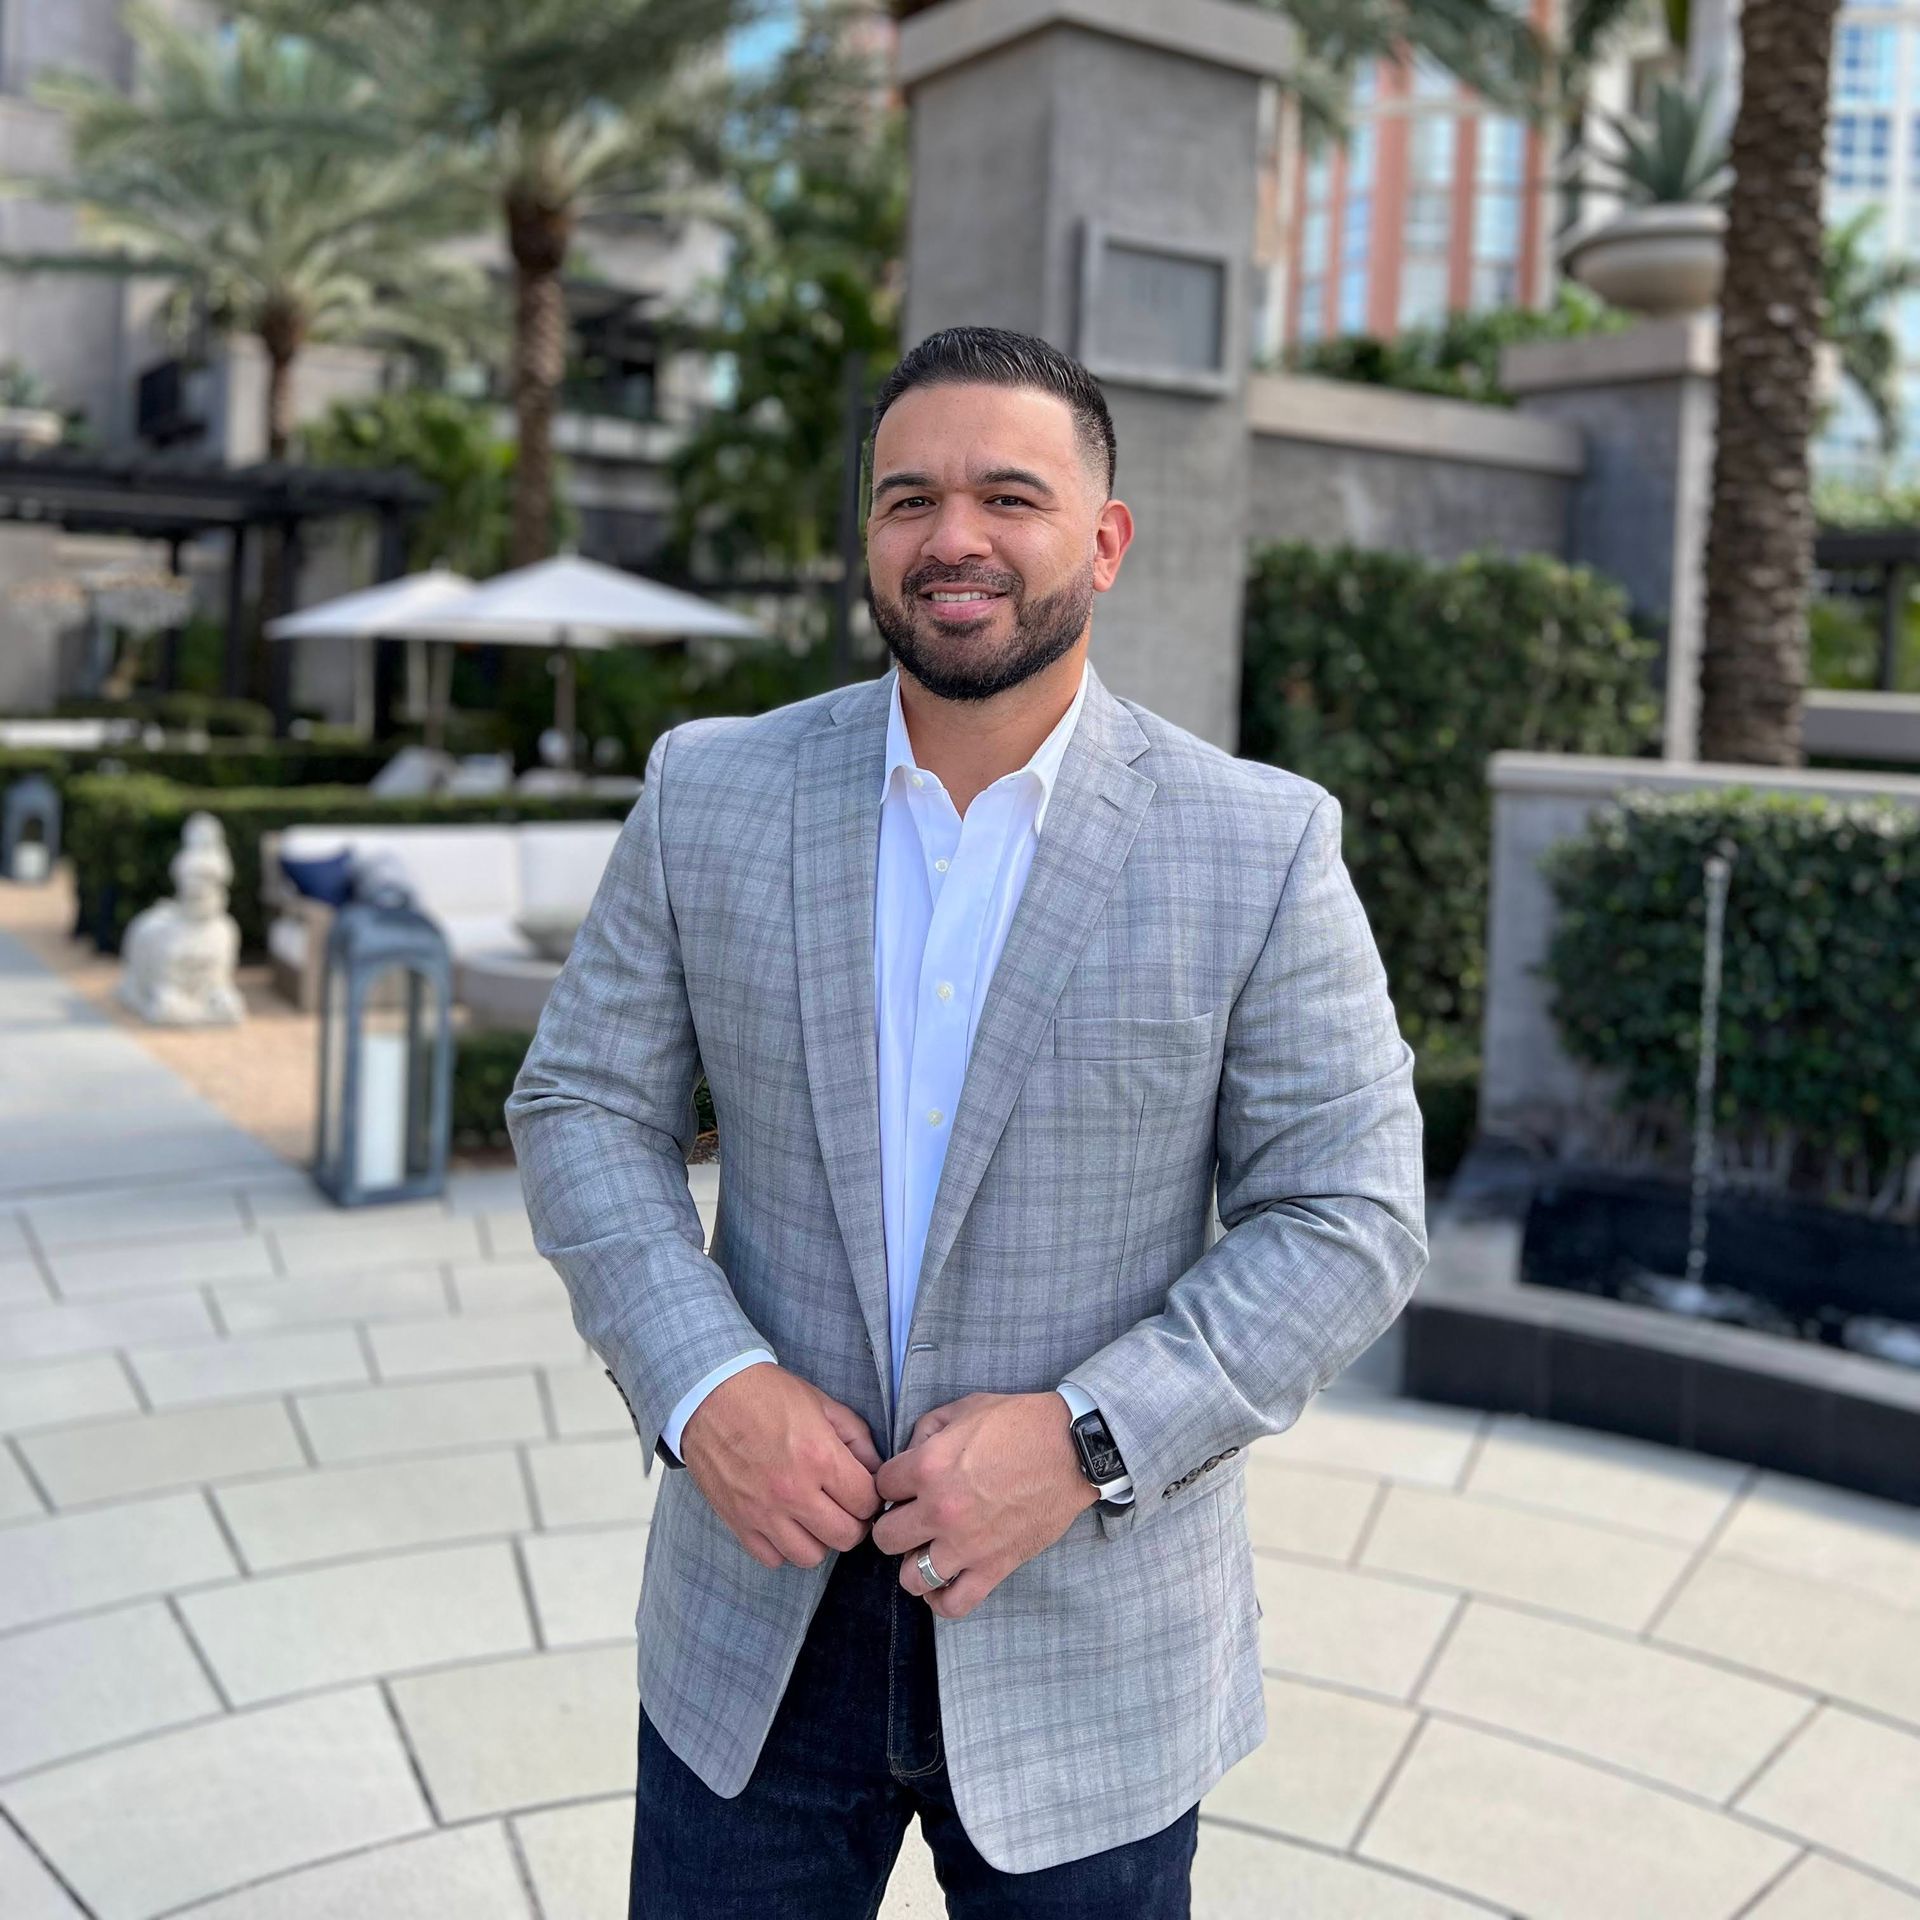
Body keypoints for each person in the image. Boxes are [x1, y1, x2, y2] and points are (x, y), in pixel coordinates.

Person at [505, 324, 1428, 1918]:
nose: (954, 538)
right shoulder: (709, 791)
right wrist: (705, 1383)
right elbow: (582, 1100)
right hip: (756, 1623)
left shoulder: (1260, 844)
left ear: (1105, 540)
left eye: (1010, 496)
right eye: (908, 499)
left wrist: (1084, 1441)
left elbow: (1350, 1216)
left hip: (1090, 1636)